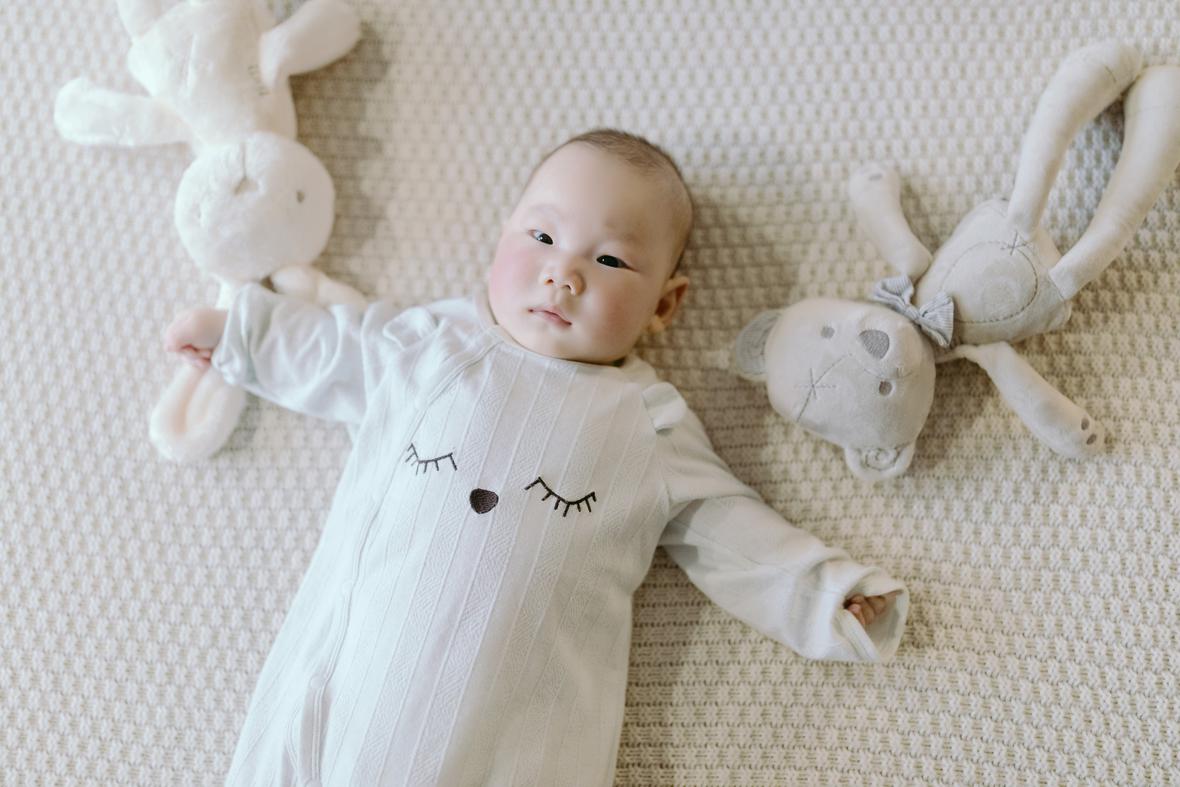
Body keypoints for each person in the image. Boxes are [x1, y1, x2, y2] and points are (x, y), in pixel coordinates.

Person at [165, 128, 909, 786]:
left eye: (610, 258)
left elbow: (727, 529)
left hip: (514, 740)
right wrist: (243, 338)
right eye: (543, 237)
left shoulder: (645, 423)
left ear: (664, 304)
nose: (564, 274)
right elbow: (337, 348)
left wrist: (821, 592)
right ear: (502, 239)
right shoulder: (431, 347)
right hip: (342, 701)